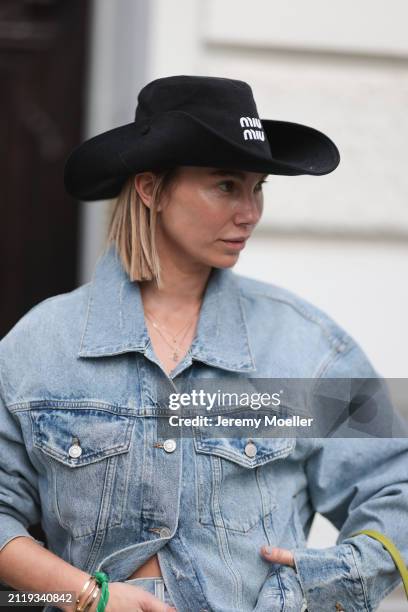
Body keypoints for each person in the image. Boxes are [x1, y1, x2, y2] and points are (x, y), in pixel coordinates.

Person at [0, 75, 407, 612]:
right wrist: (84, 596)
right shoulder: (41, 346)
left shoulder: (305, 346)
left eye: (257, 187)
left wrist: (311, 586)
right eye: (225, 186)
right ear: (151, 188)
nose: (250, 213)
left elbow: (395, 491)